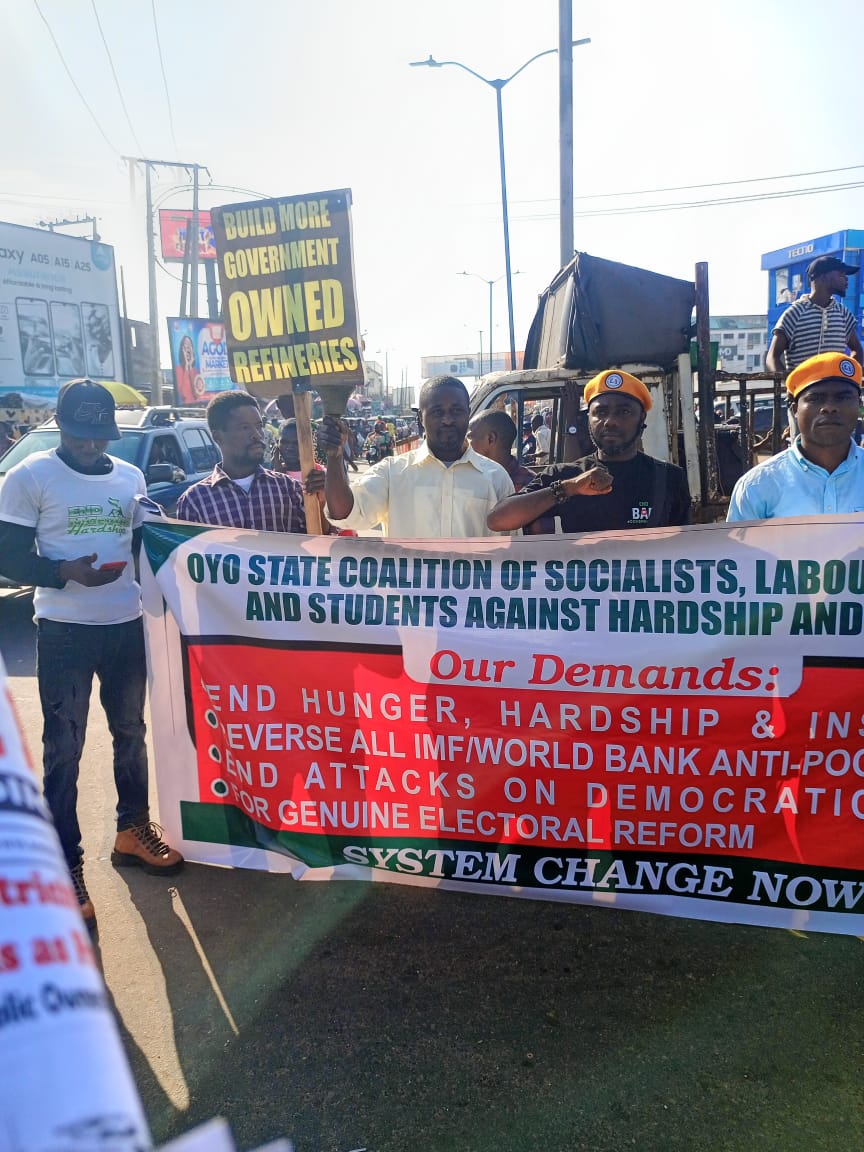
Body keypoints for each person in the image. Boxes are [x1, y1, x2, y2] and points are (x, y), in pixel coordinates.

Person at [0, 379, 183, 929]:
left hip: (123, 624)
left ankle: (132, 829)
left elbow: (134, 542)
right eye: (80, 435)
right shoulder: (27, 477)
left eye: (99, 435)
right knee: (64, 750)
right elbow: (6, 555)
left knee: (131, 732)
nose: (91, 445)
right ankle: (65, 865)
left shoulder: (129, 476)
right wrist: (62, 571)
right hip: (64, 631)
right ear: (62, 426)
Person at [487, 369, 691, 533]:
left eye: (624, 412)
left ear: (641, 420)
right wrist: (569, 488)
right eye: (600, 412)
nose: (610, 421)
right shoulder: (565, 476)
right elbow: (498, 520)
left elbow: (688, 549)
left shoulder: (669, 478)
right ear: (589, 420)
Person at [317, 375, 515, 537]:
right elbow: (344, 513)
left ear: (468, 413)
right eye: (437, 412)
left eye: (456, 411)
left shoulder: (496, 478)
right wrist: (335, 456)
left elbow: (516, 553)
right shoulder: (391, 473)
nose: (447, 419)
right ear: (421, 417)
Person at [727, 352, 864, 521]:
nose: (829, 407)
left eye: (843, 397)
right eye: (815, 398)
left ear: (859, 405)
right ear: (794, 409)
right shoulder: (757, 486)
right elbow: (739, 548)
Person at [175, 391, 310, 531]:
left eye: (259, 426)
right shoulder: (195, 502)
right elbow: (188, 551)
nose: (257, 435)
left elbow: (317, 541)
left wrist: (322, 496)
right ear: (218, 437)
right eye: (245, 428)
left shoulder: (288, 488)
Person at [766, 256, 864, 377]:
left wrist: (849, 378)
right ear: (823, 277)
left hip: (836, 393)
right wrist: (791, 385)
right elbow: (772, 357)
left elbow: (857, 351)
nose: (846, 279)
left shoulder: (843, 314)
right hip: (804, 394)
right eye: (841, 274)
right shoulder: (794, 314)